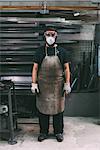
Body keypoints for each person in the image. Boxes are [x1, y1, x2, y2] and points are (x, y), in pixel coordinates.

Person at [31, 28, 71, 142]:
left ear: (56, 36)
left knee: (58, 110)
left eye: (52, 34)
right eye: (48, 34)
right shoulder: (40, 51)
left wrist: (67, 83)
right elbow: (35, 68)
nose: (50, 37)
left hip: (58, 86)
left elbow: (67, 68)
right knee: (43, 110)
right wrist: (34, 83)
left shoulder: (62, 52)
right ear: (44, 36)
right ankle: (43, 132)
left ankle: (58, 132)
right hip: (43, 86)